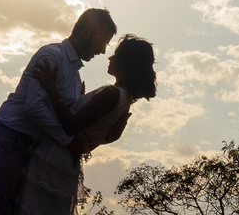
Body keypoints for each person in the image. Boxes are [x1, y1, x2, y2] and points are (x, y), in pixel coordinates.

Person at [0, 9, 118, 215]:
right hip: (10, 139)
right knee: (0, 210)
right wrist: (68, 141)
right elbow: (33, 107)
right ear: (86, 32)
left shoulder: (75, 76)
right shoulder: (51, 55)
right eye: (102, 42)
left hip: (30, 147)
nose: (102, 51)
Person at [16, 35, 157, 215]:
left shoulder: (112, 94)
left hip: (54, 157)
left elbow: (71, 126)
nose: (110, 57)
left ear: (126, 62)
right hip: (66, 161)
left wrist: (52, 89)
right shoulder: (125, 100)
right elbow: (107, 135)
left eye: (115, 55)